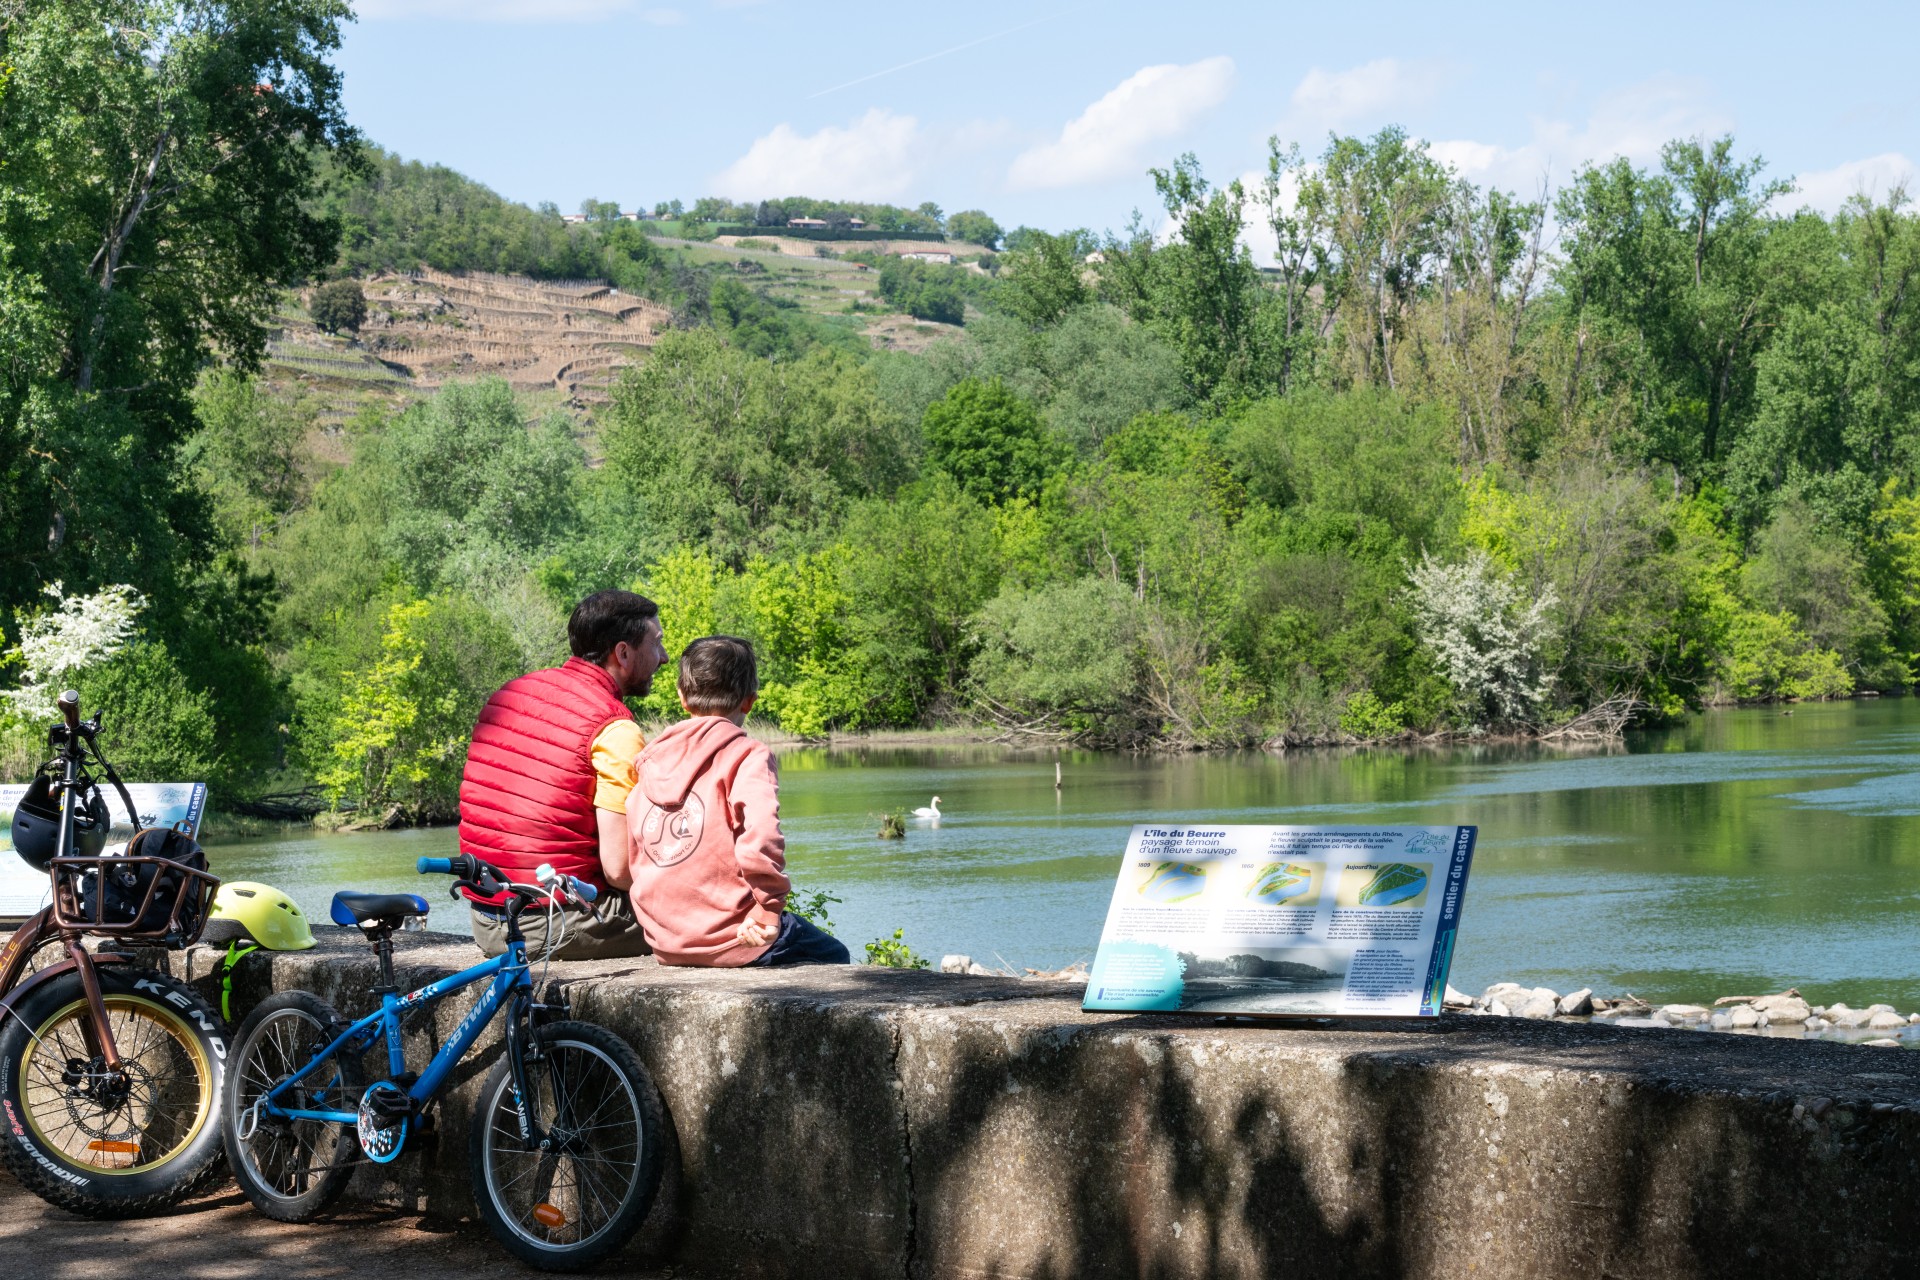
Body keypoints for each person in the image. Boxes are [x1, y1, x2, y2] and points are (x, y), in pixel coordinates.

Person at [457, 590, 668, 959]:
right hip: (555, 923)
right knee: (711, 915)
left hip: (488, 918)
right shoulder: (613, 728)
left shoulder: (510, 694)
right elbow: (619, 871)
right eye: (657, 643)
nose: (664, 657)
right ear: (622, 653)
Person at [627, 636, 848, 967]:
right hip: (737, 937)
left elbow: (635, 850)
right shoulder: (746, 755)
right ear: (749, 701)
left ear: (682, 698)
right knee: (835, 956)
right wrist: (769, 908)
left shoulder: (648, 760)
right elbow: (761, 837)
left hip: (666, 942)